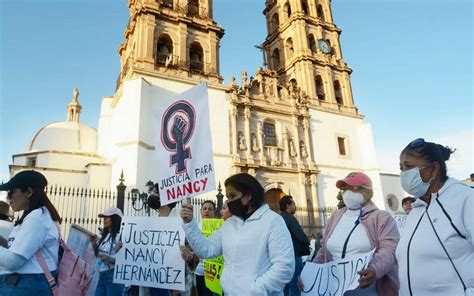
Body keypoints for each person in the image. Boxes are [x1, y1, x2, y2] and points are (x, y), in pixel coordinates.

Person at [180, 173, 295, 295]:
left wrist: (255, 291)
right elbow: (206, 249)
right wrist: (189, 223)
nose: (229, 201)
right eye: (228, 197)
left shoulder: (273, 221)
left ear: (248, 195)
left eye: (233, 196)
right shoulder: (229, 224)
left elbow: (284, 266)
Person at [396, 138, 474, 295]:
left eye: (409, 167)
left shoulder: (466, 199)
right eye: (401, 168)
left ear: (434, 169)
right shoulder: (416, 209)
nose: (403, 174)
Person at [303, 172, 399, 295]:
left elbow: (390, 249)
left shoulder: (381, 217)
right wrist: (311, 272)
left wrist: (374, 269)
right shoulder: (335, 217)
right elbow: (324, 251)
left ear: (367, 192)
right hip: (334, 289)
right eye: (344, 188)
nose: (347, 192)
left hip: (366, 288)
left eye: (353, 188)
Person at [0, 170, 61, 295]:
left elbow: (13, 261)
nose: (8, 198)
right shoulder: (37, 216)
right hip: (27, 283)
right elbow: (23, 251)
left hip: (25, 284)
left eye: (11, 192)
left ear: (28, 192)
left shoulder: (36, 218)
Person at [279, 195, 310, 296]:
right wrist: (307, 241)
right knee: (296, 286)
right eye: (293, 204)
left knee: (285, 287)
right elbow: (301, 236)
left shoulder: (279, 218)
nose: (295, 206)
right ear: (288, 205)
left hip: (282, 257)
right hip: (294, 256)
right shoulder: (290, 219)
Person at [91, 207, 125, 296]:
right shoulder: (104, 236)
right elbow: (100, 256)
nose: (104, 219)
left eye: (107, 217)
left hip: (113, 276)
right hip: (102, 275)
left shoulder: (121, 237)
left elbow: (126, 260)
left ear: (115, 219)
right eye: (103, 217)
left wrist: (109, 259)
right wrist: (95, 245)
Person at [194, 200, 217, 296]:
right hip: (198, 272)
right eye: (205, 209)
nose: (207, 211)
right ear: (201, 211)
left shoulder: (219, 227)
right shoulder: (195, 227)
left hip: (213, 274)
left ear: (214, 213)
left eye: (210, 209)